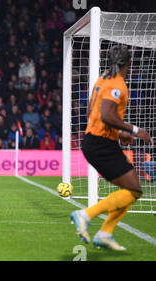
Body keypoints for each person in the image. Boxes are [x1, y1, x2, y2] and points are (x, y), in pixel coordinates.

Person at [70, 45, 152, 250]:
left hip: (99, 140)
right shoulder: (117, 84)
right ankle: (85, 215)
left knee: (132, 189)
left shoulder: (103, 78)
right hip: (100, 144)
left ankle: (105, 233)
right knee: (133, 189)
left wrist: (119, 133)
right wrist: (134, 130)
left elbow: (92, 111)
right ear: (129, 64)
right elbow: (106, 115)